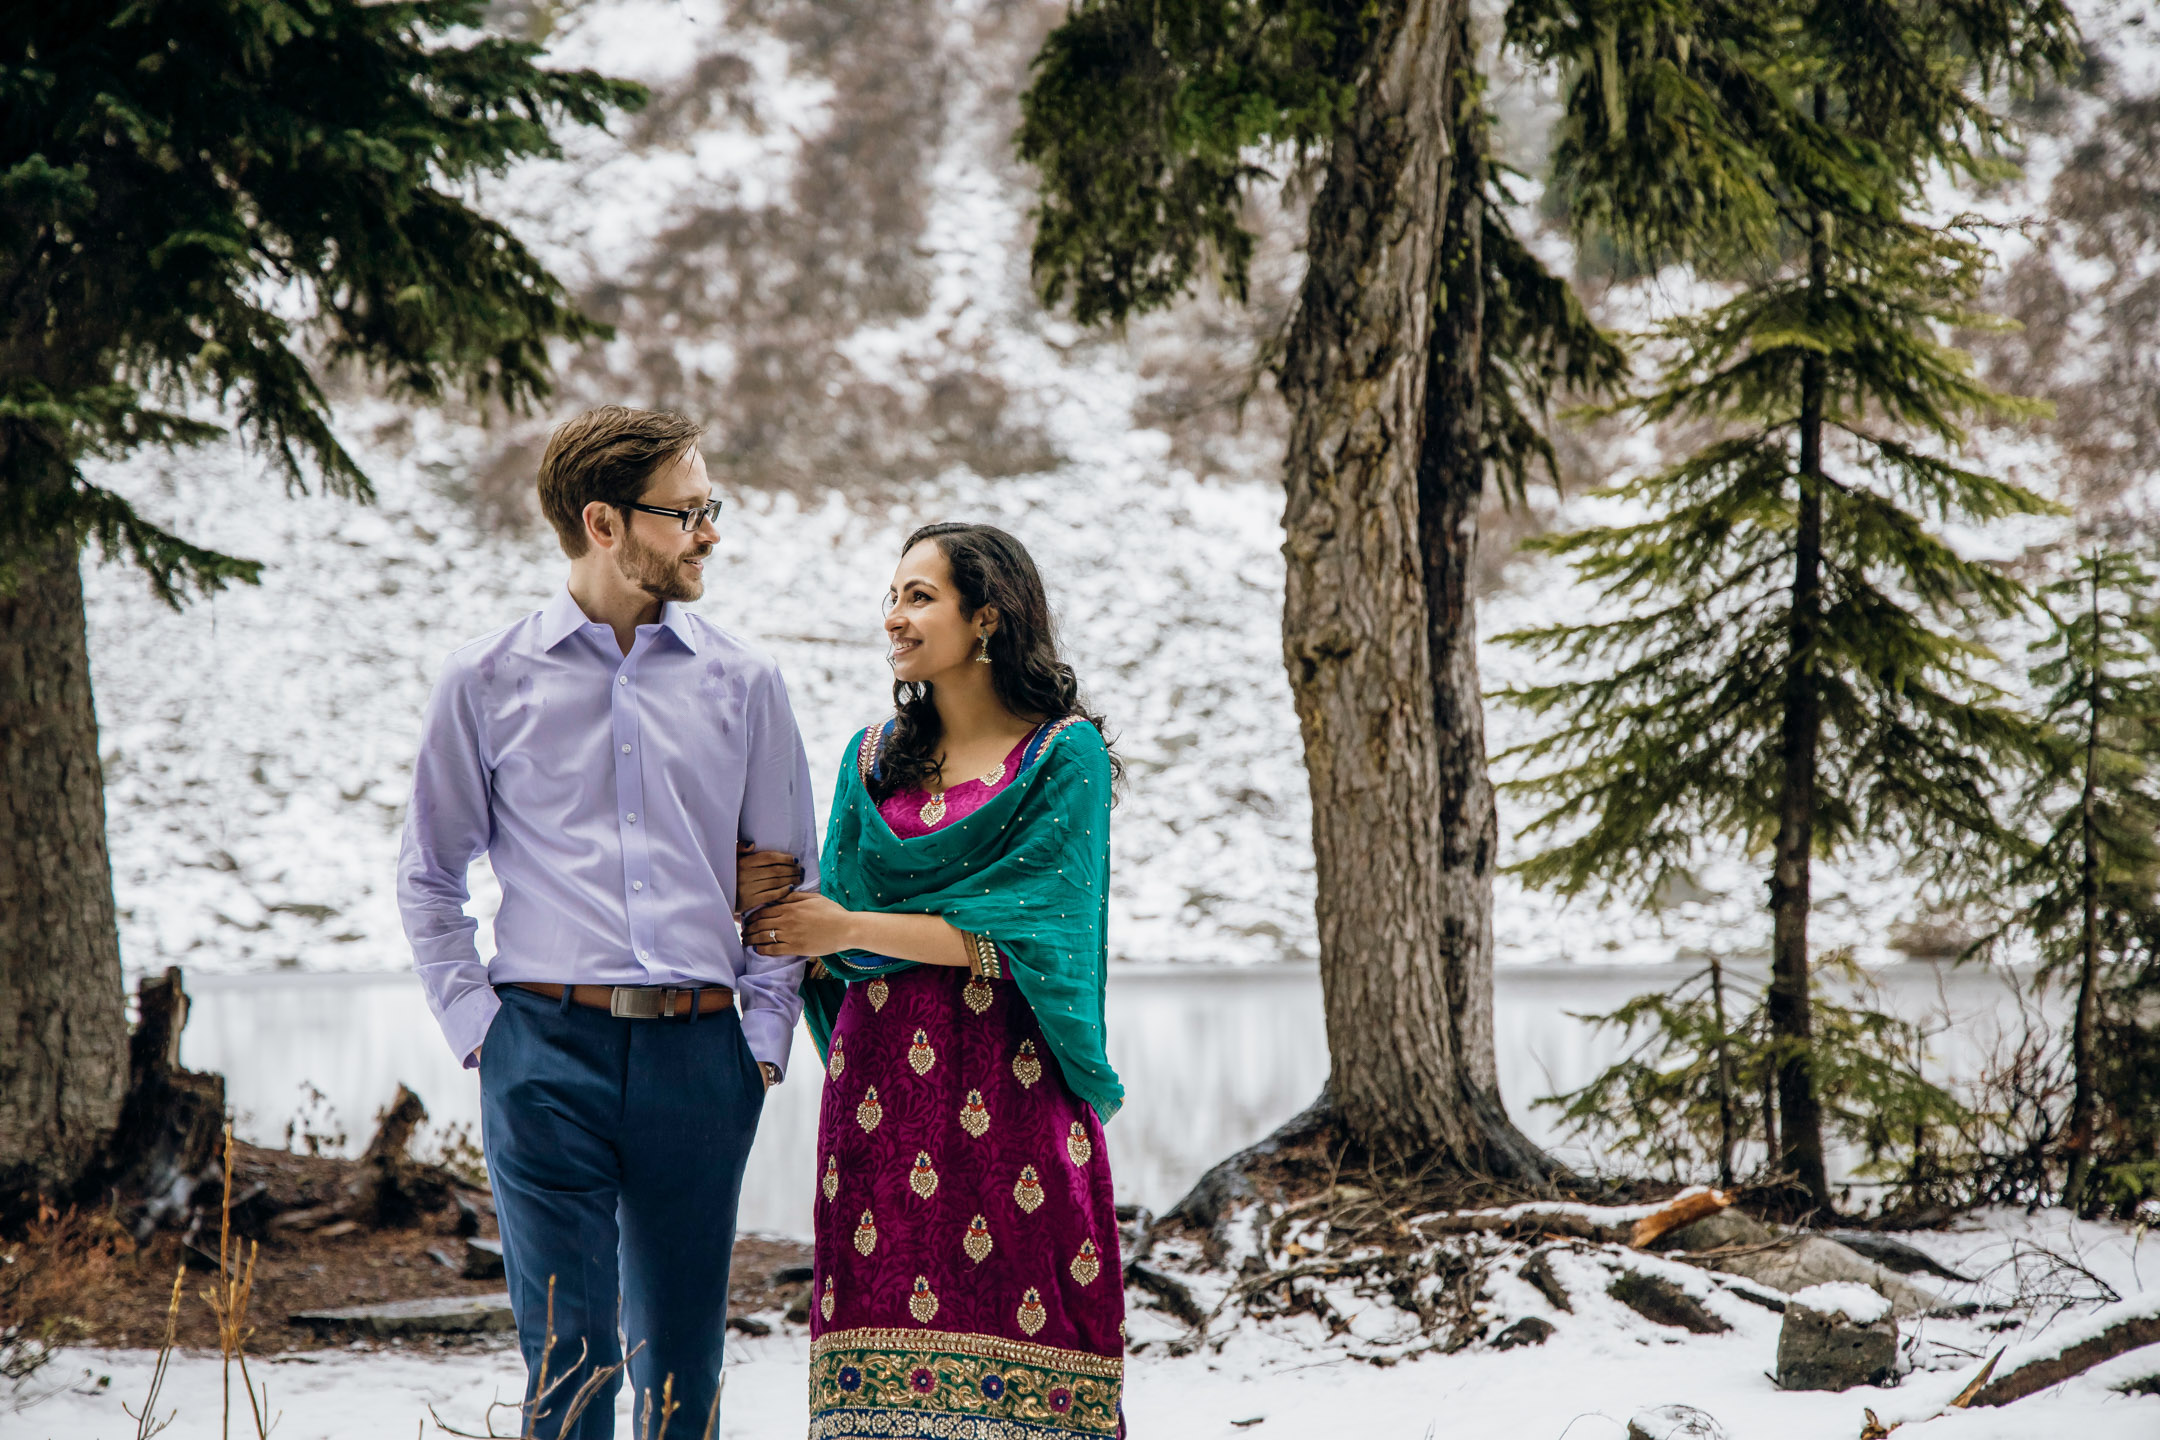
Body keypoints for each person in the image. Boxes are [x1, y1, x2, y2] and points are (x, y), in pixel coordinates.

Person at [397, 406, 818, 1439]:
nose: (710, 532)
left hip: (701, 1058)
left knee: (683, 1367)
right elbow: (429, 877)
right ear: (603, 523)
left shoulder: (746, 683)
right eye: (687, 513)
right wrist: (482, 1032)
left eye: (709, 508)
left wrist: (760, 1038)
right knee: (569, 1363)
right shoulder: (485, 682)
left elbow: (787, 888)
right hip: (544, 1054)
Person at [742, 522, 1127, 1440]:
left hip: (1013, 1079)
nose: (895, 618)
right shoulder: (870, 760)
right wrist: (790, 910)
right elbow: (823, 936)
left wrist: (852, 927)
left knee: (1026, 1307)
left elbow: (1046, 935)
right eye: (892, 596)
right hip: (880, 1095)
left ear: (987, 616)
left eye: (920, 597)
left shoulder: (1061, 757)